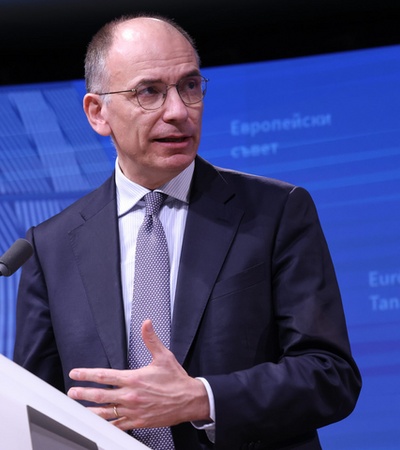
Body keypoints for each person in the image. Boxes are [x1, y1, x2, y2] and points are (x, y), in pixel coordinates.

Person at [13, 13, 361, 450]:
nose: (178, 111)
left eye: (190, 86)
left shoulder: (276, 212)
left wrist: (202, 399)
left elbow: (331, 375)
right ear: (98, 113)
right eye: (150, 92)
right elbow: (35, 405)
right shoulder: (50, 245)